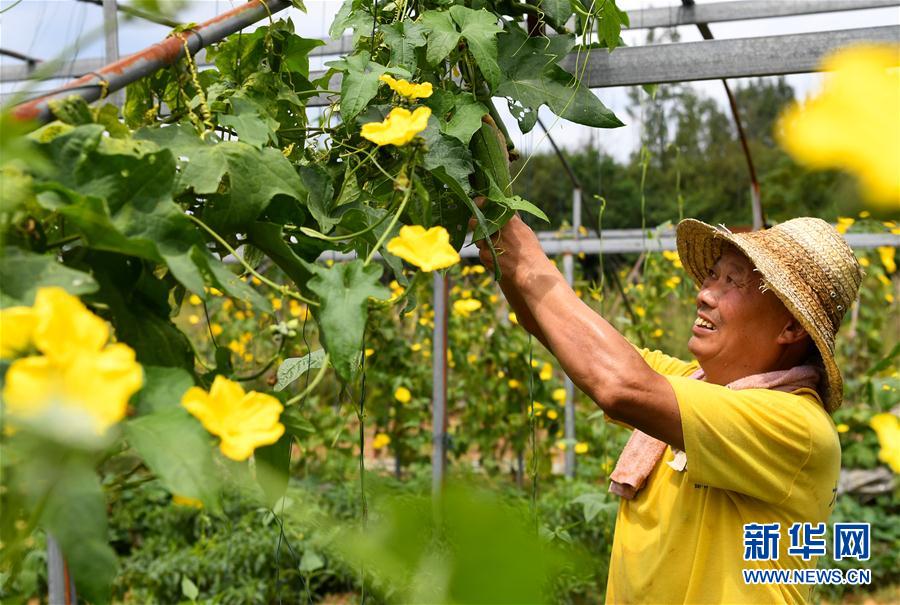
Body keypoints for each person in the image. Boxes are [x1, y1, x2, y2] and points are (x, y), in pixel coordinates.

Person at [472, 209, 862, 604]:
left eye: (733, 282)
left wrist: (524, 254)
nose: (705, 294)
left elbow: (620, 384)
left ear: (790, 328)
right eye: (713, 275)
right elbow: (560, 332)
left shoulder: (795, 425)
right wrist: (496, 220)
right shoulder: (697, 386)